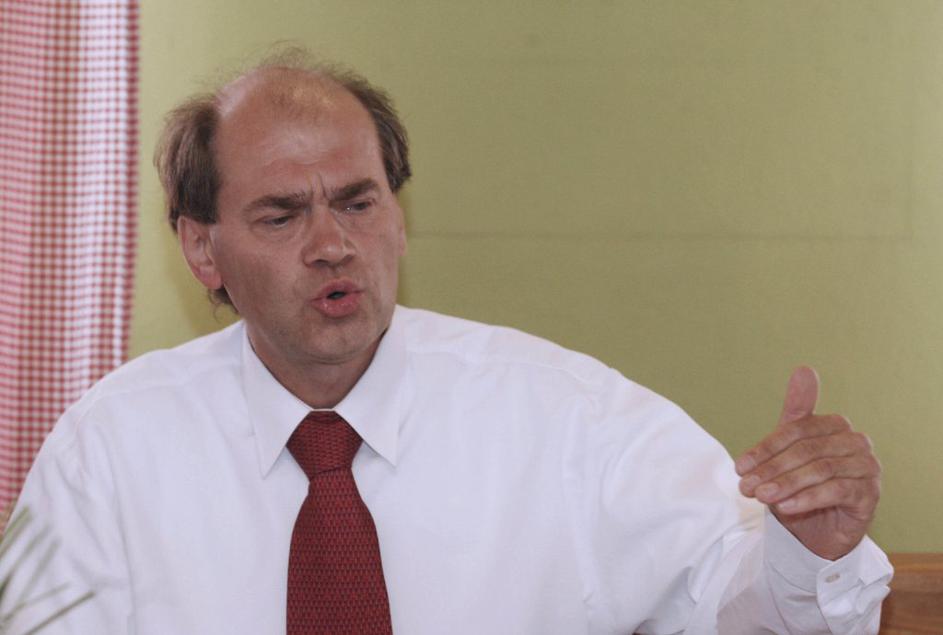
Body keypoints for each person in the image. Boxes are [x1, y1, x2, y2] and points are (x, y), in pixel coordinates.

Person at [0, 52, 891, 634]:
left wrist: (809, 551)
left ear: (397, 214)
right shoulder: (106, 450)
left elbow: (735, 601)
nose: (332, 244)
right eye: (281, 214)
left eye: (358, 201)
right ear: (203, 249)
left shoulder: (566, 418)